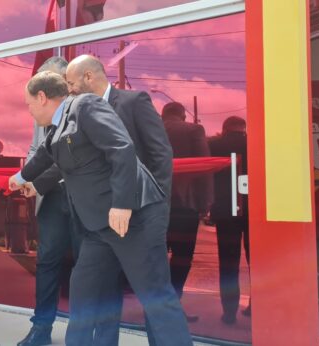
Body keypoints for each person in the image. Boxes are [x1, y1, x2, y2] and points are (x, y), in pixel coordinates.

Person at [10, 71, 191, 346]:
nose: (30, 112)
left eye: (29, 105)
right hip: (100, 226)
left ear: (42, 97)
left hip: (134, 220)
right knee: (82, 290)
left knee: (156, 297)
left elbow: (122, 147)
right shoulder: (56, 127)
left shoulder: (86, 106)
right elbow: (46, 156)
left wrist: (122, 204)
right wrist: (23, 179)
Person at [64, 54, 175, 342]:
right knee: (98, 289)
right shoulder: (78, 113)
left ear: (89, 77)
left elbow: (160, 155)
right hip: (103, 225)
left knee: (153, 295)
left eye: (72, 83)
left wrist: (156, 207)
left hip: (140, 219)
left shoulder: (132, 102)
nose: (70, 90)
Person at [16, 56, 83, 346]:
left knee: (86, 266)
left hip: (82, 198)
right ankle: (41, 328)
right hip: (51, 198)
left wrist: (33, 179)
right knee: (47, 263)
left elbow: (69, 157)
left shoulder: (83, 109)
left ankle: (81, 333)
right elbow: (37, 149)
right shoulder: (41, 112)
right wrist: (26, 179)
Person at [161, 101, 211, 322]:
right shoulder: (193, 130)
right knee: (182, 258)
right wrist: (205, 203)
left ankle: (155, 307)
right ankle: (173, 305)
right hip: (183, 205)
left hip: (152, 204)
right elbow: (204, 166)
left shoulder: (148, 127)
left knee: (155, 257)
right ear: (182, 115)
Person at [208, 116, 250, 325]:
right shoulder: (255, 143)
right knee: (257, 262)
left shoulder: (214, 145)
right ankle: (256, 306)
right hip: (254, 213)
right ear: (243, 129)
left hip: (226, 212)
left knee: (228, 263)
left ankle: (230, 312)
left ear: (224, 129)